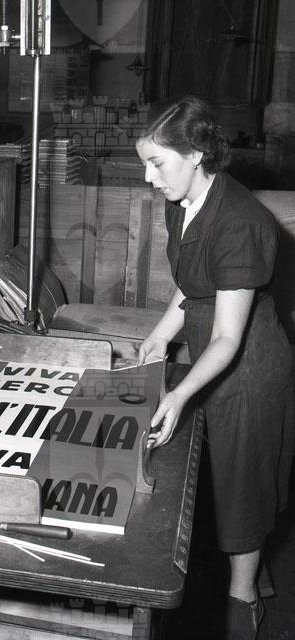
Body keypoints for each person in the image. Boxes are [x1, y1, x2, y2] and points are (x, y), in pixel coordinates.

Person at [135, 95, 294, 640]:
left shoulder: (241, 221)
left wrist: (180, 395)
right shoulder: (181, 200)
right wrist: (161, 334)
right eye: (145, 164)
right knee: (215, 477)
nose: (149, 177)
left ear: (197, 153)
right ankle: (241, 575)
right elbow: (192, 283)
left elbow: (229, 338)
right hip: (210, 350)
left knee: (242, 486)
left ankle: (243, 602)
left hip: (249, 367)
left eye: (157, 163)